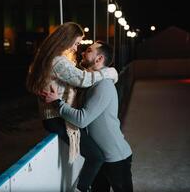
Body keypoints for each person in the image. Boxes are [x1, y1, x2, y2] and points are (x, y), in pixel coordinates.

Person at [26, 22, 118, 192]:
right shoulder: (58, 61)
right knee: (96, 156)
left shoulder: (49, 57)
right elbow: (83, 79)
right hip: (57, 117)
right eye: (76, 43)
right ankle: (81, 189)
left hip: (52, 117)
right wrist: (110, 72)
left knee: (95, 155)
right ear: (66, 40)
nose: (76, 48)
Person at [43, 41, 133, 192]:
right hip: (102, 157)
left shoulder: (103, 85)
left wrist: (58, 103)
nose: (83, 52)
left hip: (116, 157)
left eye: (89, 50)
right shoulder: (91, 83)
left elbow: (81, 119)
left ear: (99, 59)